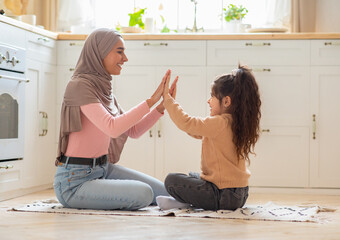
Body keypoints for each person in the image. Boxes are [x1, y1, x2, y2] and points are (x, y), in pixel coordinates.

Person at [54, 28, 176, 210]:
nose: (125, 58)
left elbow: (133, 131)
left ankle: (201, 198)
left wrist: (160, 107)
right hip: (74, 182)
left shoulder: (104, 89)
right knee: (144, 193)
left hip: (103, 169)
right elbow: (112, 128)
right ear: (100, 52)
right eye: (119, 52)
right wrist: (150, 101)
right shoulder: (79, 86)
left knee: (166, 191)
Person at [156, 66, 261, 211]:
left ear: (226, 101)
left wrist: (168, 100)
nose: (208, 101)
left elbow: (187, 123)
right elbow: (195, 130)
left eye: (212, 96)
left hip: (223, 196)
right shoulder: (236, 123)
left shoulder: (220, 122)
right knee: (195, 176)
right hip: (240, 194)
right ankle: (189, 200)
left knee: (172, 181)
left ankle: (183, 203)